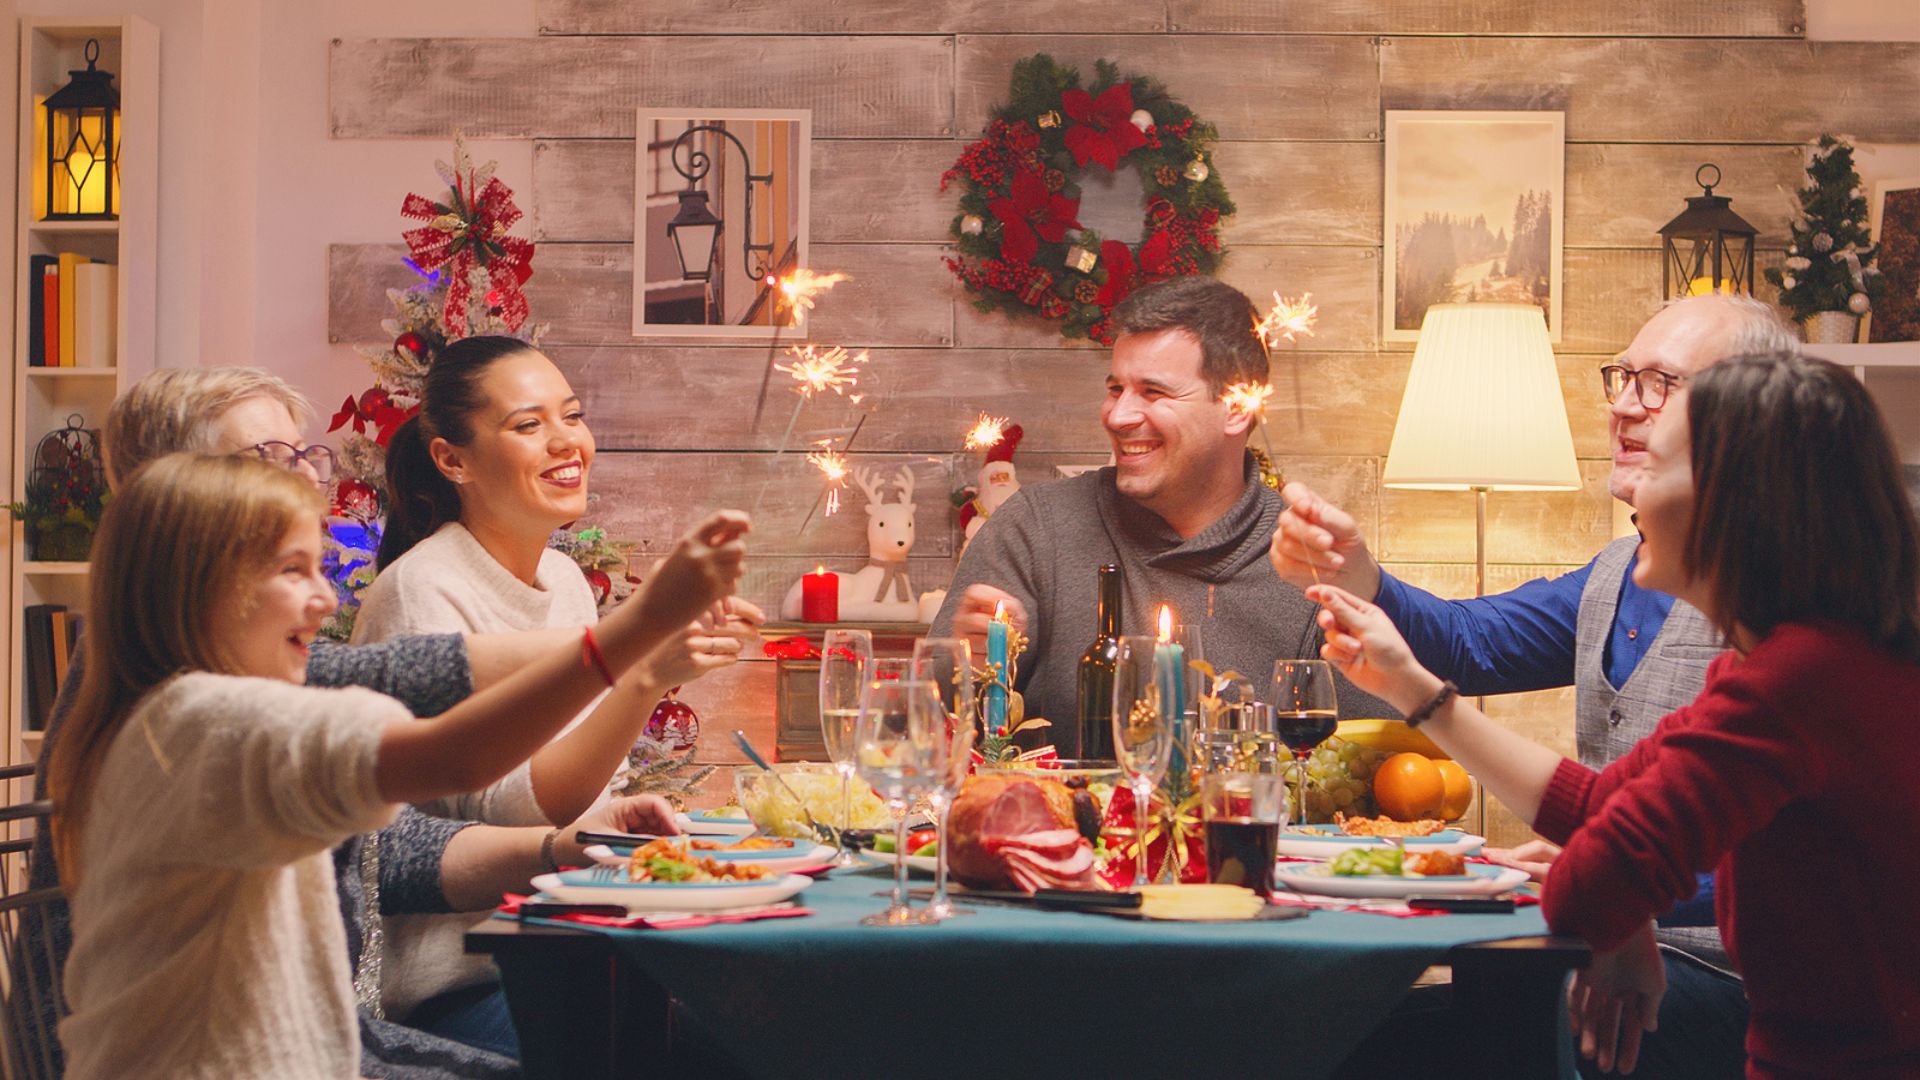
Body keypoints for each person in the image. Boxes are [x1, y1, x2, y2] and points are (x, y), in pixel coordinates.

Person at [1309, 351, 1920, 1078]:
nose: (1631, 496)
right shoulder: (1797, 660)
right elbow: (1602, 805)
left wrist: (1614, 889)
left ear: (1732, 502)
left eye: (1652, 470)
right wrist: (1411, 687)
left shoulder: (1793, 684)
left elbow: (1594, 879)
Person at [48, 453, 748, 1079]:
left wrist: (635, 654)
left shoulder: (164, 717)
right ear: (197, 586)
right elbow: (455, 756)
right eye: (293, 571)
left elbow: (421, 736)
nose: (324, 599)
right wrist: (638, 626)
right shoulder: (214, 726)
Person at [931, 277, 1391, 750]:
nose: (1117, 415)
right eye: (1115, 388)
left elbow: (1385, 772)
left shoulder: (1313, 564)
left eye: (1152, 392)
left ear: (1235, 407)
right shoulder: (1034, 529)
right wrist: (963, 665)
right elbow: (920, 733)